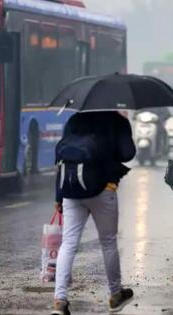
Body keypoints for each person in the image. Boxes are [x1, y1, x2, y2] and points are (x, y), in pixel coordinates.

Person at [51, 111, 136, 315]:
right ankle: (116, 294)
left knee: (69, 242)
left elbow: (60, 159)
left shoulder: (74, 120)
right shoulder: (118, 121)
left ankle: (59, 300)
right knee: (108, 242)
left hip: (71, 188)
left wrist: (58, 196)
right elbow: (128, 154)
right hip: (103, 188)